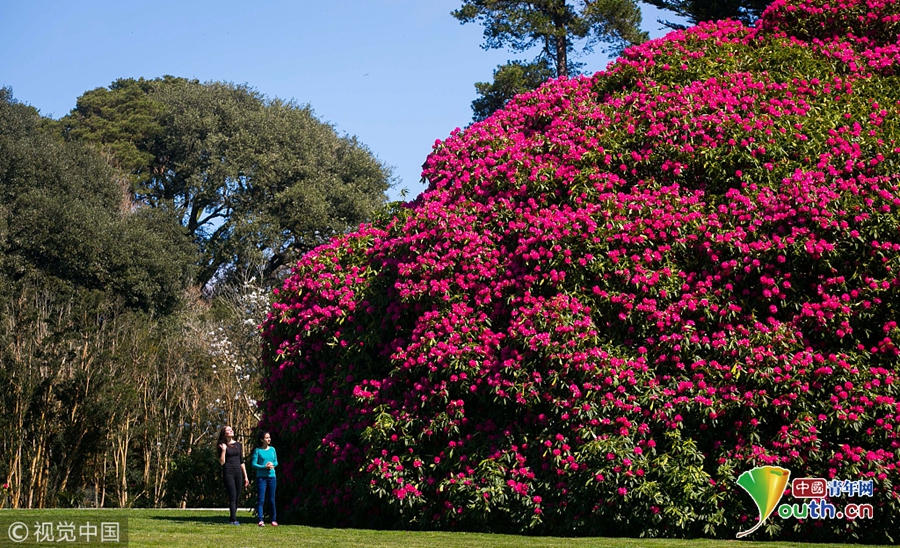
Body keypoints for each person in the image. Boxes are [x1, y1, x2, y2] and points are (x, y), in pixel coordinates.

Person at [217, 426, 249, 525]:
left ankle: (233, 517)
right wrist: (224, 450)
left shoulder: (238, 445)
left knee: (237, 497)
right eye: (228, 430)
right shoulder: (222, 445)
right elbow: (221, 462)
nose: (231, 431)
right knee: (232, 495)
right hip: (228, 472)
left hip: (238, 472)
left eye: (231, 429)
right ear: (224, 434)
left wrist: (246, 476)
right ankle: (233, 519)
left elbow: (241, 461)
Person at [251, 431, 279, 527]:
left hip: (272, 477)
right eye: (267, 438)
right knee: (261, 500)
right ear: (262, 439)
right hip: (261, 478)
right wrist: (264, 466)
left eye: (269, 437)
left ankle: (273, 519)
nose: (269, 439)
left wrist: (272, 465)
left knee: (272, 499)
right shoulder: (257, 451)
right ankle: (260, 519)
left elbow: (276, 462)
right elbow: (254, 464)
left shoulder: (273, 449)